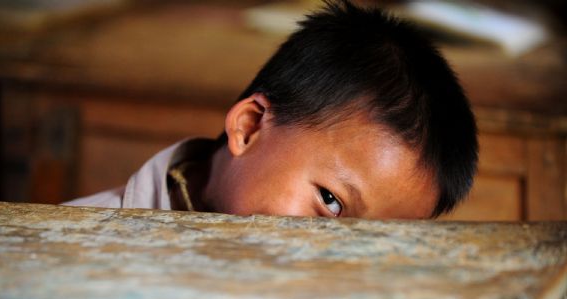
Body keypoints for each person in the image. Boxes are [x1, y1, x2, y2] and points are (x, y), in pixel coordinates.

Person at [64, 0, 478, 219]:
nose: (342, 259)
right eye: (331, 202)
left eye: (381, 242)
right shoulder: (68, 251)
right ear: (249, 126)